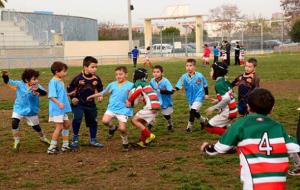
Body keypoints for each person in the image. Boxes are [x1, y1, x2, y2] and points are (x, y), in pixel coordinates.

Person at [201, 88, 300, 190]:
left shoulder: (240, 125)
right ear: (272, 109)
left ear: (248, 107)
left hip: (254, 185)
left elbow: (219, 148)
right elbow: (295, 147)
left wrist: (206, 147)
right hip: (278, 185)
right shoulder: (278, 127)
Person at [87, 66, 134, 151]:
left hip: (123, 110)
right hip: (112, 108)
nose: (118, 76)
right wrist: (92, 96)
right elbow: (103, 93)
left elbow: (136, 97)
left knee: (122, 129)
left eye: (120, 74)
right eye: (116, 74)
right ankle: (112, 128)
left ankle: (125, 143)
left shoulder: (131, 85)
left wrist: (132, 102)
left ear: (126, 75)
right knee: (105, 121)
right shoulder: (112, 84)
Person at [1, 69, 50, 151]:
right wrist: (5, 76)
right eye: (34, 79)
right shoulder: (19, 84)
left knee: (36, 127)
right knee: (14, 122)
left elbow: (45, 93)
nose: (36, 80)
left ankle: (43, 137)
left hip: (31, 111)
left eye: (36, 78)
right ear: (27, 80)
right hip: (19, 108)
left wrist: (37, 90)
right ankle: (16, 140)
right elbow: (8, 82)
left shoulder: (37, 86)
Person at [67, 56, 104, 150]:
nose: (95, 69)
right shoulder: (77, 78)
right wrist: (73, 98)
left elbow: (100, 88)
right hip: (78, 103)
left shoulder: (96, 78)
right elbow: (70, 89)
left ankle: (93, 140)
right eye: (92, 67)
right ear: (85, 67)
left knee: (93, 121)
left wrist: (100, 95)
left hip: (90, 104)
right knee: (77, 119)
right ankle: (75, 139)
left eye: (96, 67)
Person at [126, 68, 159, 148]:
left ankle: (150, 136)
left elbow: (138, 91)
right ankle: (142, 142)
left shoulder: (138, 82)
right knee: (142, 123)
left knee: (134, 120)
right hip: (155, 105)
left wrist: (129, 100)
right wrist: (143, 99)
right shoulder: (145, 83)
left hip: (151, 106)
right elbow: (147, 94)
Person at [203, 62, 238, 135]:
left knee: (208, 127)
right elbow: (232, 95)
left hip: (227, 112)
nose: (210, 72)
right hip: (233, 110)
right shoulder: (225, 81)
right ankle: (230, 138)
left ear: (217, 72)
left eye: (211, 70)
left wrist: (214, 108)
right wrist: (217, 100)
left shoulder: (219, 84)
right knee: (222, 127)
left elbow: (227, 98)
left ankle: (232, 135)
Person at [175, 58, 209, 132]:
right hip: (190, 98)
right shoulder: (184, 76)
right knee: (194, 112)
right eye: (187, 66)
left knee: (192, 111)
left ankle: (189, 127)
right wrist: (174, 89)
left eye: (190, 65)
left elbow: (205, 85)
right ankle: (203, 121)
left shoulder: (199, 75)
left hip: (200, 96)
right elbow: (178, 85)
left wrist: (206, 94)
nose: (188, 67)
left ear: (194, 67)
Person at [47, 62, 72, 154]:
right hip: (57, 109)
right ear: (57, 72)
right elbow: (51, 96)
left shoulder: (60, 80)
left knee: (67, 124)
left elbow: (61, 93)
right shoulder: (53, 82)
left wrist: (69, 94)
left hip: (62, 109)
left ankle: (65, 145)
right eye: (64, 71)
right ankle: (51, 148)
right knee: (59, 127)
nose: (65, 73)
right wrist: (58, 103)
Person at [149, 65, 174, 132]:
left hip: (165, 101)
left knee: (166, 115)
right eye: (154, 72)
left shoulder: (166, 81)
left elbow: (171, 92)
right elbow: (149, 89)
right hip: (156, 101)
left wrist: (162, 91)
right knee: (152, 114)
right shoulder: (152, 81)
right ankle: (148, 129)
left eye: (158, 72)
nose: (155, 73)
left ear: (162, 73)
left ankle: (170, 123)